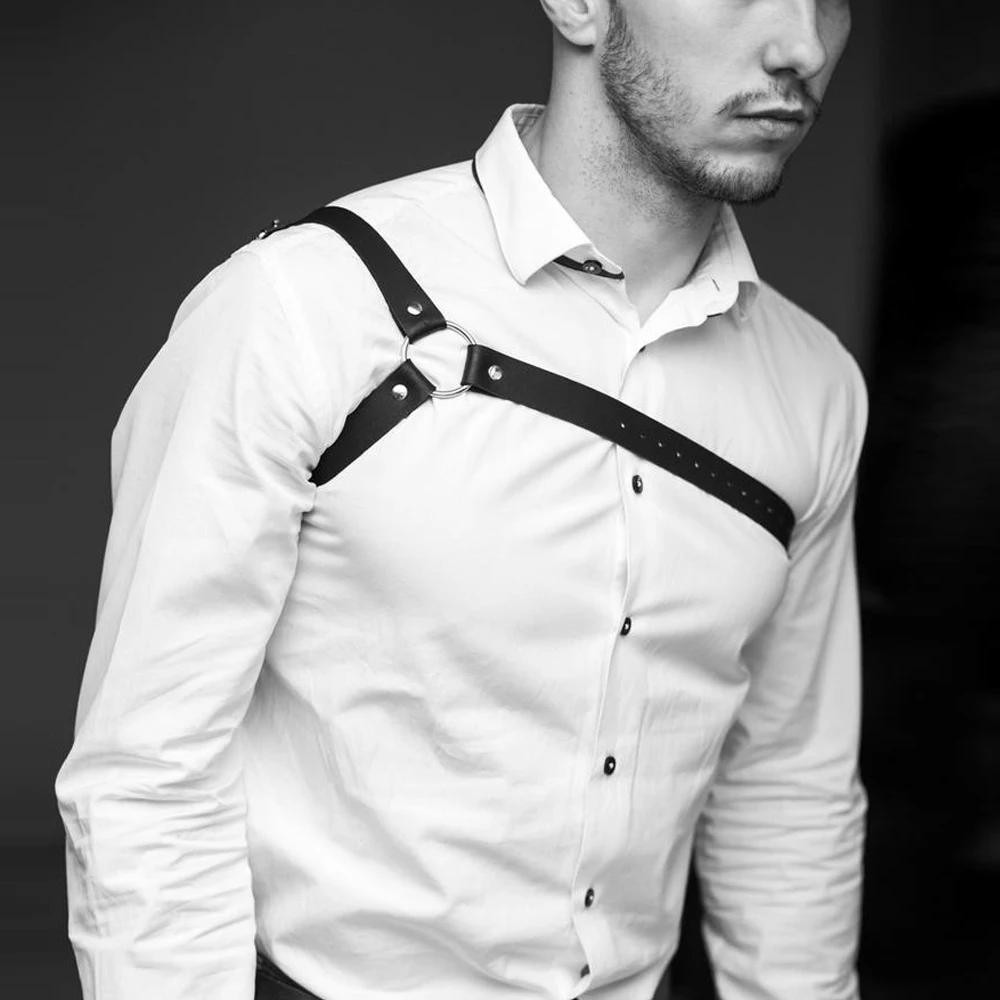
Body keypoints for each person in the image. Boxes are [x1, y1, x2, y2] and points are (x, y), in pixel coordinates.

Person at [55, 2, 866, 999]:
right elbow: (147, 775)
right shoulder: (306, 303)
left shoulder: (816, 387)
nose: (802, 47)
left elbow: (788, 788)